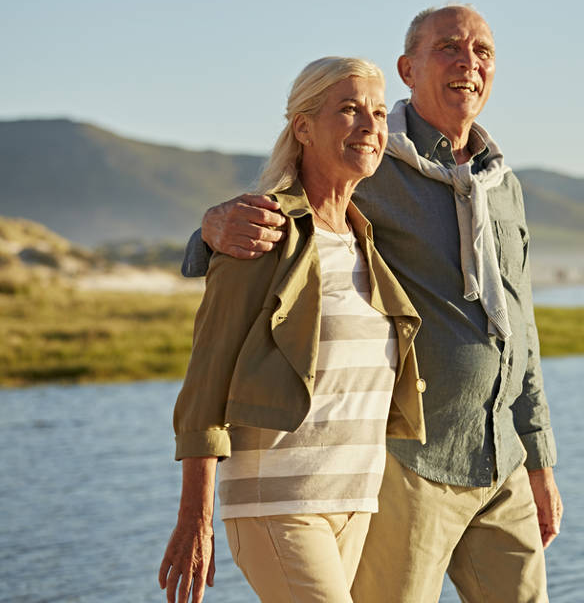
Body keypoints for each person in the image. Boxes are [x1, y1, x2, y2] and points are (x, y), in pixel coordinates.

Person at [183, 6, 563, 603]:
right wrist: (209, 230)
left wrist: (539, 457)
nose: (468, 63)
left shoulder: (503, 184)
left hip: (500, 458)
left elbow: (520, 330)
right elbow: (276, 223)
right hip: (406, 465)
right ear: (408, 67)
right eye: (449, 48)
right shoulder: (367, 159)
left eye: (483, 51)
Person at [159, 57, 426, 603]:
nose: (370, 126)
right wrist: (196, 519)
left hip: (357, 500)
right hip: (277, 504)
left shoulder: (362, 240)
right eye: (348, 110)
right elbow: (207, 380)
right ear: (302, 127)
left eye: (378, 112)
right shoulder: (260, 232)